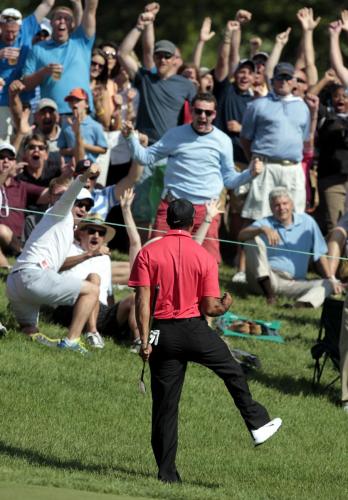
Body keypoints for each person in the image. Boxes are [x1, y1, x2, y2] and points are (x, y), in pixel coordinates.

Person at [128, 198, 282, 483]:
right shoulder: (203, 256)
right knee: (232, 370)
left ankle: (167, 475)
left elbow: (142, 301)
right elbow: (210, 308)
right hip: (193, 330)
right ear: (192, 224)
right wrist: (225, 305)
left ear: (169, 221)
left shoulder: (150, 252)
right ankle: (257, 422)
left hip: (162, 332)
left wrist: (145, 338)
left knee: (165, 406)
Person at [123, 92, 263, 262]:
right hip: (172, 205)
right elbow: (145, 158)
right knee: (157, 260)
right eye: (198, 111)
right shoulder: (175, 134)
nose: (203, 116)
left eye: (208, 113)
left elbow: (229, 180)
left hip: (206, 211)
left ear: (214, 114)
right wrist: (130, 137)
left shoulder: (223, 140)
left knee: (206, 265)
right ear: (192, 112)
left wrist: (250, 174)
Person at [6, 164, 100, 354]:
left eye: (87, 207)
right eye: (80, 204)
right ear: (71, 202)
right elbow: (71, 193)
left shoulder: (62, 225)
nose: (83, 209)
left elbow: (59, 267)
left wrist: (86, 255)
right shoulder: (61, 212)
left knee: (29, 330)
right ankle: (72, 341)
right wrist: (85, 176)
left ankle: (27, 334)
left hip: (15, 283)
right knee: (92, 290)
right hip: (32, 278)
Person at [238, 187, 342, 307]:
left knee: (327, 284)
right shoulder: (265, 223)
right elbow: (241, 235)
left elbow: (320, 254)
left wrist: (331, 278)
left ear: (292, 204)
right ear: (271, 208)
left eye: (285, 203)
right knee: (252, 240)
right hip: (266, 278)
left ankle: (299, 306)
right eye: (277, 205)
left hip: (293, 283)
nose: (282, 208)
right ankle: (270, 296)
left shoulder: (308, 222)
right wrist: (261, 229)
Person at [50, 212, 139, 349]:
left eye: (101, 233)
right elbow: (57, 267)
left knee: (135, 297)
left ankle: (138, 341)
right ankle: (91, 332)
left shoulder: (104, 258)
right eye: (92, 231)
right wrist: (88, 255)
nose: (96, 236)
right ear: (80, 233)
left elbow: (108, 292)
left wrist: (112, 309)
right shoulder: (69, 248)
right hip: (71, 305)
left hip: (101, 311)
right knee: (94, 278)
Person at [240, 62, 310, 220]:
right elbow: (245, 139)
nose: (283, 82)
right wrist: (254, 160)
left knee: (295, 217)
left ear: (293, 81)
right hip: (265, 166)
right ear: (272, 81)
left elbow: (304, 139)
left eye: (287, 78)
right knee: (258, 218)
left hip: (293, 168)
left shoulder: (303, 107)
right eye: (280, 78)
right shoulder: (257, 105)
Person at [22, 0, 99, 115]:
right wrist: (43, 72)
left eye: (67, 18)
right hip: (51, 117)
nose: (62, 21)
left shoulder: (82, 42)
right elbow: (26, 84)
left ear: (72, 24)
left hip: (82, 114)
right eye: (58, 18)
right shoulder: (38, 49)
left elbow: (91, 9)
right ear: (51, 22)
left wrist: (77, 3)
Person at [0, 1, 55, 140]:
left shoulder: (28, 27)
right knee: (3, 145)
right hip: (2, 103)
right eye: (7, 32)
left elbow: (47, 4)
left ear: (20, 27)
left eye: (14, 32)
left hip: (24, 102)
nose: (11, 36)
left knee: (25, 142)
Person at [58, 87, 107, 162]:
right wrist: (73, 150)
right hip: (71, 168)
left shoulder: (95, 126)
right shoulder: (66, 125)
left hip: (89, 168)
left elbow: (103, 149)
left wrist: (83, 146)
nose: (74, 103)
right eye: (71, 101)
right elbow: (61, 150)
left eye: (78, 100)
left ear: (87, 104)